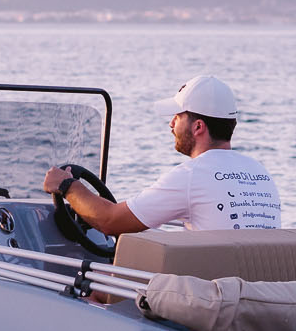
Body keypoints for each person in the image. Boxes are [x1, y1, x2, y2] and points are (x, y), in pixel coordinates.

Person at [43, 75, 282, 236]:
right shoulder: (259, 172)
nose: (171, 124)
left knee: (95, 289)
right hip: (256, 292)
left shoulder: (193, 176)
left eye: (177, 117)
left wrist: (67, 186)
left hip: (215, 299)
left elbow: (110, 221)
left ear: (198, 127)